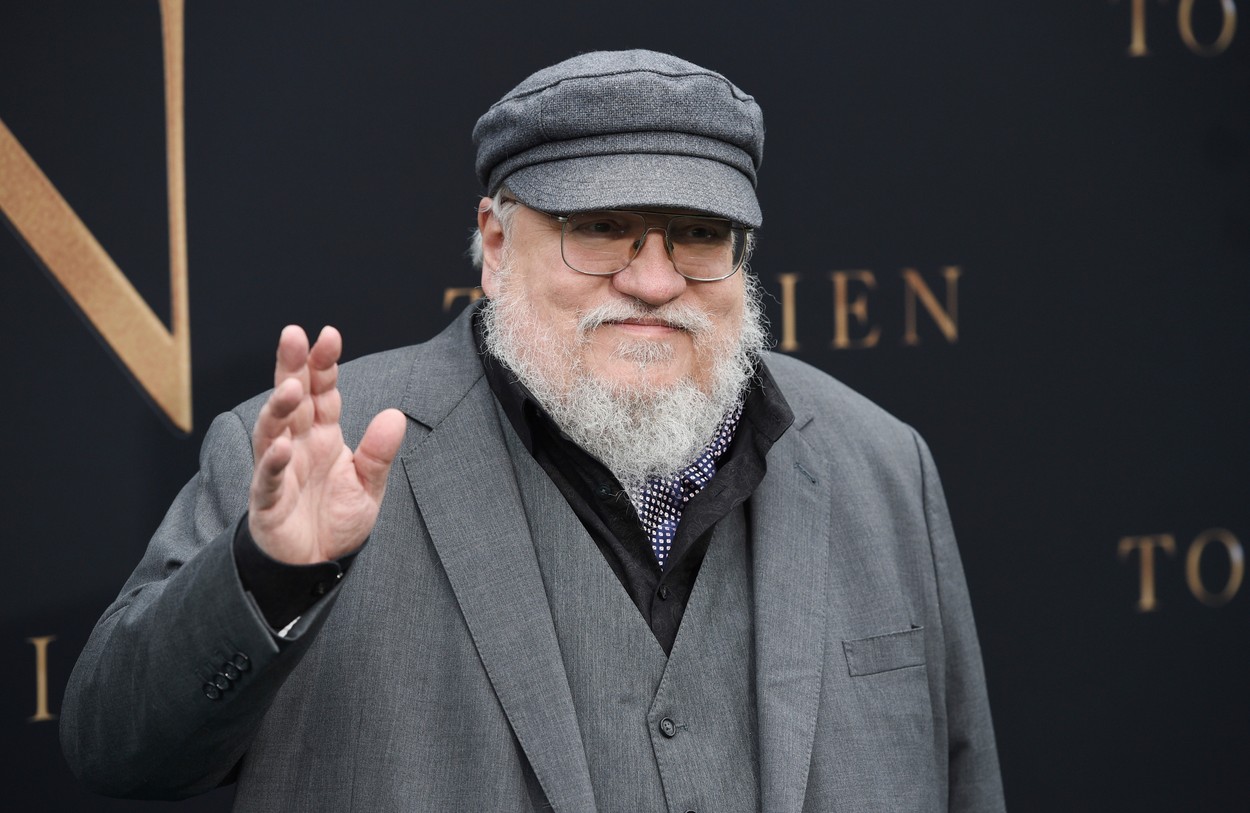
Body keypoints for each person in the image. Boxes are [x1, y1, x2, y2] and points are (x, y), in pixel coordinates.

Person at [61, 50, 1006, 812]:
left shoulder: (882, 464)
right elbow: (116, 746)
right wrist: (273, 575)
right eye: (601, 227)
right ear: (496, 240)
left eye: (697, 234)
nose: (654, 279)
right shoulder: (325, 451)